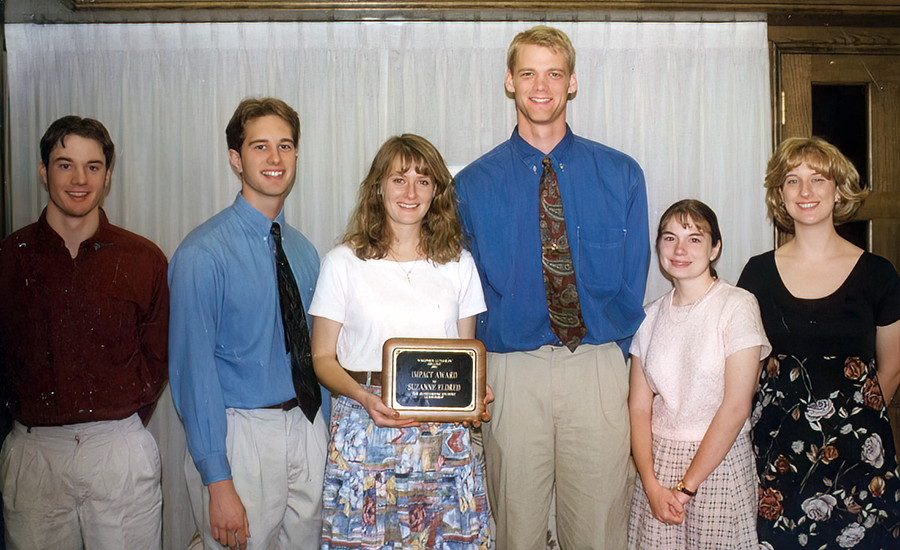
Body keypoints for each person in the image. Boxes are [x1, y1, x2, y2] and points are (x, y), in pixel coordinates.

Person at [455, 25, 649, 549]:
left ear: (572, 82)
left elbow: (635, 277)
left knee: (598, 533)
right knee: (516, 533)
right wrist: (476, 371)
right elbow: (462, 294)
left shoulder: (621, 174)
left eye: (554, 73)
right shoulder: (472, 185)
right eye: (528, 73)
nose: (541, 85)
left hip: (597, 369)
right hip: (511, 375)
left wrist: (619, 363)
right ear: (509, 82)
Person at [310, 134, 492, 549]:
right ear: (379, 187)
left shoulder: (459, 263)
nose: (411, 192)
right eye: (399, 179)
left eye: (423, 181)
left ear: (437, 192)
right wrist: (364, 397)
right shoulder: (343, 262)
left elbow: (466, 356)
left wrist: (475, 391)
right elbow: (321, 357)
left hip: (442, 437)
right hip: (366, 422)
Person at [0, 116, 169, 549]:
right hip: (34, 455)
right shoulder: (8, 259)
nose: (79, 179)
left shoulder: (143, 259)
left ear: (108, 176)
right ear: (43, 172)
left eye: (93, 166)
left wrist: (117, 422)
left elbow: (158, 358)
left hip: (118, 451)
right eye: (64, 164)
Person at [169, 97, 327, 550]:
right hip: (242, 436)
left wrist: (326, 437)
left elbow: (316, 352)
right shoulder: (202, 254)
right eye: (260, 147)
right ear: (236, 159)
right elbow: (193, 374)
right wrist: (217, 481)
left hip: (307, 426)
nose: (275, 159)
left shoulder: (303, 251)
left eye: (285, 146)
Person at [738, 137, 900, 548]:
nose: (805, 192)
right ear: (779, 195)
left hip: (858, 457)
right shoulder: (756, 274)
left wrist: (851, 430)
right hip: (775, 453)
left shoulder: (879, 274)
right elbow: (745, 370)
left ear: (839, 190)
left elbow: (892, 367)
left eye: (818, 179)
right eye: (792, 181)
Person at [627, 199, 769, 549]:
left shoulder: (737, 305)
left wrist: (686, 487)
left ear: (715, 247)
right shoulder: (649, 317)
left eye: (694, 238)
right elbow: (638, 407)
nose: (679, 249)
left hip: (718, 465)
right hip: (657, 467)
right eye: (669, 237)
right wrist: (652, 486)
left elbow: (736, 406)